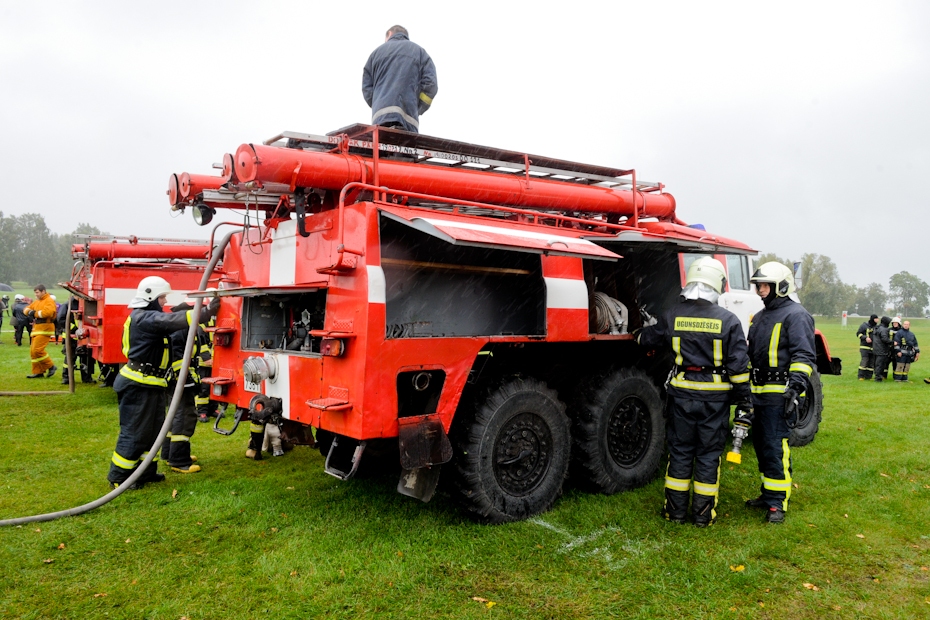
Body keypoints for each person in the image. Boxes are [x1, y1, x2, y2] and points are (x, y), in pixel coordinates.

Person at [637, 257, 751, 527]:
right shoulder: (729, 320)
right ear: (717, 284)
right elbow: (738, 368)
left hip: (681, 396)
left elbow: (649, 338)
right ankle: (702, 516)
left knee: (680, 451)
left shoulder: (673, 314)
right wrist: (744, 400)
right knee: (709, 455)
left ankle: (674, 513)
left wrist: (637, 334)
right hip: (715, 399)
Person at [106, 276, 218, 489]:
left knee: (153, 432)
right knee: (135, 431)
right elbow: (169, 321)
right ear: (151, 297)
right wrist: (205, 312)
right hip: (138, 384)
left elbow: (169, 323)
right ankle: (120, 477)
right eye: (162, 297)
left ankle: (146, 472)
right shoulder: (143, 317)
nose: (165, 301)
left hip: (151, 383)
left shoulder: (148, 316)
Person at [745, 262, 816, 524]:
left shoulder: (797, 315)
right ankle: (768, 494)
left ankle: (777, 503)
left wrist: (795, 389)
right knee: (762, 446)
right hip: (758, 393)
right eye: (759, 286)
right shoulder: (760, 317)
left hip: (780, 394)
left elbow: (804, 355)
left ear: (782, 287)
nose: (760, 290)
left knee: (775, 447)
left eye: (765, 286)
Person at [160, 299, 207, 474]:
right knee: (185, 416)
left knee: (173, 416)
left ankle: (168, 453)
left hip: (176, 379)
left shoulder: (180, 328)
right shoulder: (182, 330)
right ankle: (179, 460)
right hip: (180, 380)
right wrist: (186, 379)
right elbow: (178, 357)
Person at [362, 25, 438, 133]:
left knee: (382, 148)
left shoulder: (375, 55)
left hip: (380, 118)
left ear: (389, 34)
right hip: (409, 118)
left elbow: (367, 88)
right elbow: (431, 84)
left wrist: (378, 102)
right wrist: (418, 107)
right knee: (406, 148)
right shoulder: (420, 52)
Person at [23, 285, 57, 379]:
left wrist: (34, 313)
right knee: (33, 352)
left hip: (45, 328)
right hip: (37, 328)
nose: (35, 294)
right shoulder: (37, 301)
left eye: (37, 292)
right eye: (35, 292)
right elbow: (25, 309)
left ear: (43, 291)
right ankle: (38, 372)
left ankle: (51, 366)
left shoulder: (49, 300)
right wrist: (30, 312)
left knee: (37, 350)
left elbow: (48, 313)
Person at [855, 314, 878, 380]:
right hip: (864, 347)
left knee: (871, 362)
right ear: (873, 319)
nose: (877, 320)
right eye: (876, 319)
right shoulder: (864, 325)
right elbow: (858, 333)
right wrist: (865, 338)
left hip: (873, 347)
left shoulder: (876, 327)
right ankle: (861, 376)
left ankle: (869, 376)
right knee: (864, 361)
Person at [872, 316, 892, 382]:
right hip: (882, 349)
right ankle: (878, 378)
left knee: (876, 364)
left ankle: (877, 376)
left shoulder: (876, 327)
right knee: (880, 364)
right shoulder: (884, 329)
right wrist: (892, 342)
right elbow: (884, 339)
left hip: (875, 348)